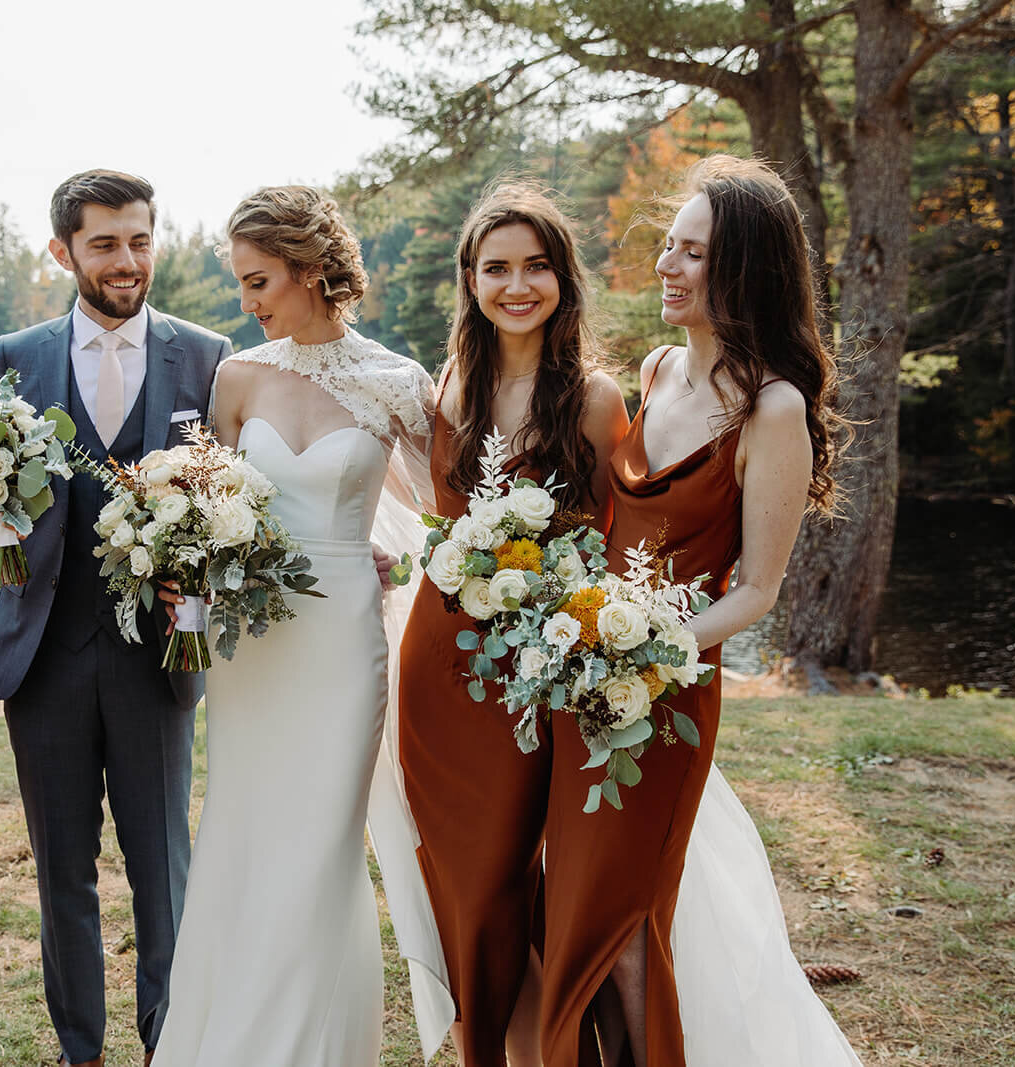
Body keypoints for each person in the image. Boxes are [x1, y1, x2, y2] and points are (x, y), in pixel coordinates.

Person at [541, 155, 850, 1066]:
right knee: (577, 895)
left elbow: (756, 591)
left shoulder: (774, 409)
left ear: (747, 269)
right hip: (584, 676)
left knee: (629, 912)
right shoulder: (657, 367)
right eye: (668, 248)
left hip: (667, 692)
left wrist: (636, 647)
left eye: (693, 254)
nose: (668, 268)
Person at [149, 185, 445, 1066]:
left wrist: (387, 558)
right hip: (255, 646)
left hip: (345, 642)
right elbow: (205, 502)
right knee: (243, 830)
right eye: (242, 284)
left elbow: (452, 511)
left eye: (259, 281)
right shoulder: (238, 377)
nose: (248, 303)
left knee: (321, 844)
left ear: (312, 271)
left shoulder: (398, 383)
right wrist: (179, 561)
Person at [0, 170, 230, 1067]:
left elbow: (235, 501)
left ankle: (168, 1043)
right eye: (105, 242)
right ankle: (81, 1049)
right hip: (44, 657)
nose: (126, 260)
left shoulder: (206, 354)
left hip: (160, 656)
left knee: (164, 873)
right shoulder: (18, 354)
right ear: (63, 250)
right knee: (61, 875)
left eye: (140, 239)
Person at [395, 182, 629, 1067]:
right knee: (462, 879)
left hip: (538, 673)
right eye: (497, 268)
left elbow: (613, 549)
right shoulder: (450, 385)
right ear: (472, 279)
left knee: (514, 873)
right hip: (441, 666)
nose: (517, 284)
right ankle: (484, 1049)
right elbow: (425, 501)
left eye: (536, 266)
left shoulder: (599, 400)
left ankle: (544, 1050)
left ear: (563, 279)